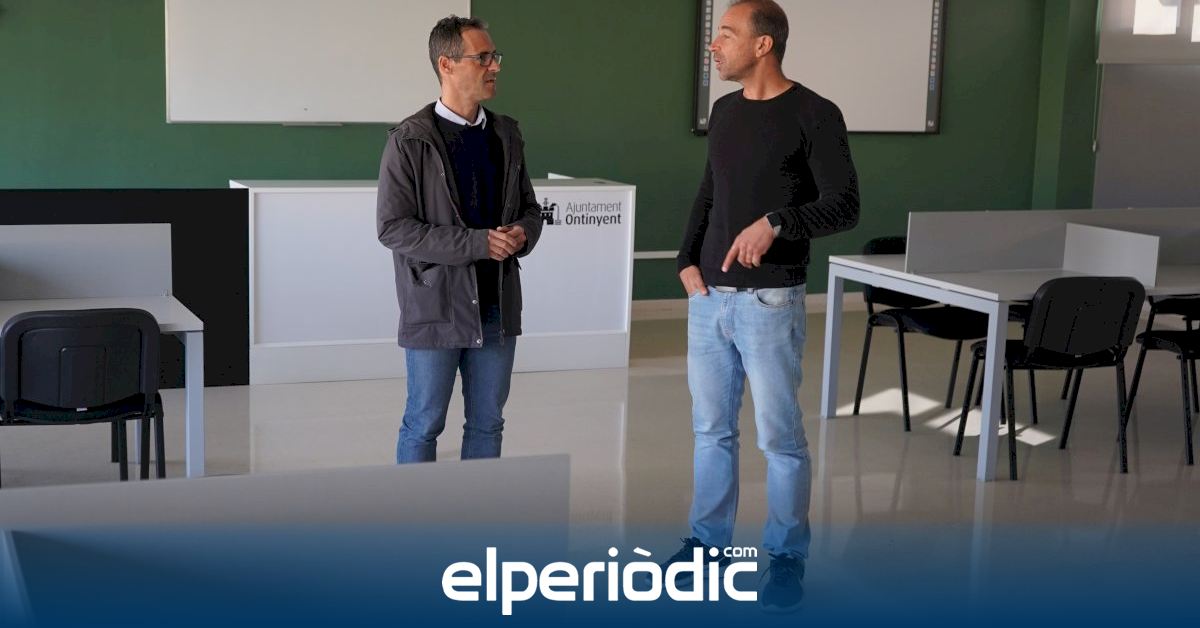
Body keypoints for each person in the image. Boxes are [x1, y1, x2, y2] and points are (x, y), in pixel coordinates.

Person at [666, 0, 860, 613]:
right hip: (709, 298)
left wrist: (777, 222)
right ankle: (707, 544)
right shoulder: (725, 111)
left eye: (726, 34)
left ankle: (786, 557)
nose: (714, 45)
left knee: (780, 438)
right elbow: (711, 190)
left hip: (771, 299)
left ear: (762, 45)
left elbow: (845, 206)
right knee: (711, 431)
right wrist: (685, 258)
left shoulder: (816, 114)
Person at [376, 15, 542, 464]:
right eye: (483, 57)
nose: (495, 66)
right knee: (424, 422)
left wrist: (523, 232)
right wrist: (477, 244)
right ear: (446, 65)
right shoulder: (409, 140)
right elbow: (393, 228)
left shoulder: (507, 134)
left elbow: (530, 207)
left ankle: (476, 506)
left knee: (488, 422)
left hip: (497, 304)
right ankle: (418, 511)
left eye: (495, 56)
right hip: (436, 307)